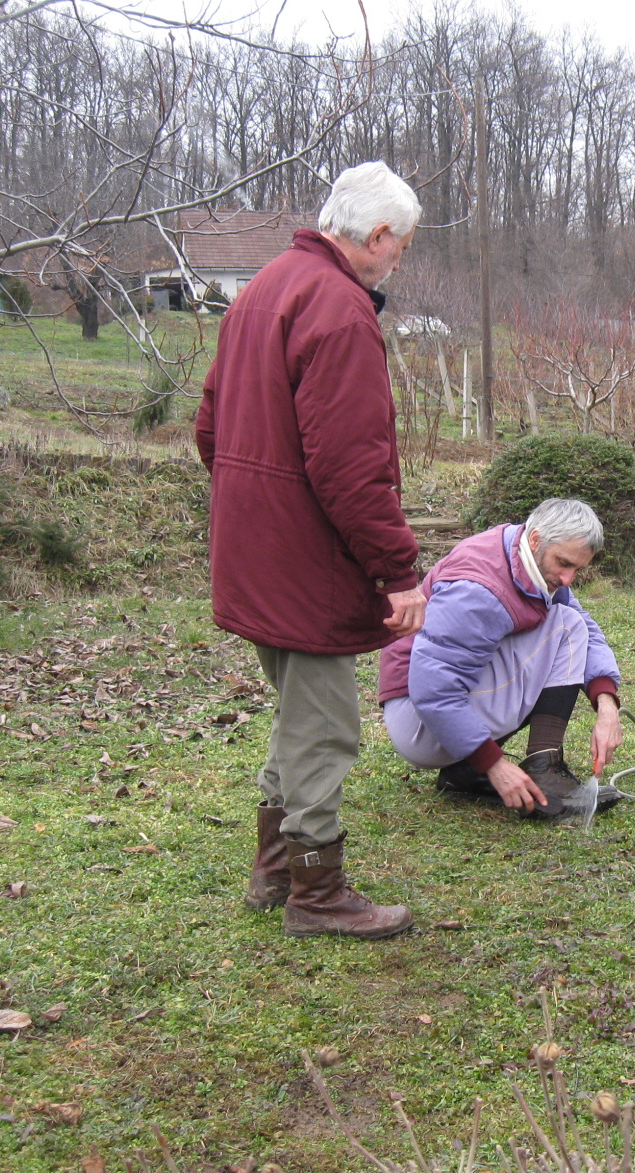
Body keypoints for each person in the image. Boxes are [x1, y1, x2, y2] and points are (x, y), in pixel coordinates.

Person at [196, 163, 429, 940]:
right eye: (404, 244)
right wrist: (397, 570)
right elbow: (351, 465)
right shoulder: (338, 307)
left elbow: (209, 424)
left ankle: (273, 870)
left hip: (254, 546)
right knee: (325, 724)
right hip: (305, 558)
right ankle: (317, 892)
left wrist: (252, 502)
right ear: (381, 235)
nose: (400, 259)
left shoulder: (266, 286)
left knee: (298, 713)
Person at [378, 498, 624, 817]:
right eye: (563, 563)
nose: (568, 579)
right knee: (565, 628)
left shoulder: (525, 556)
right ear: (535, 539)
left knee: (567, 622)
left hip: (434, 711)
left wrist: (607, 705)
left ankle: (468, 771)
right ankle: (539, 768)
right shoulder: (477, 590)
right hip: (419, 721)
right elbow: (434, 691)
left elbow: (585, 627)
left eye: (577, 568)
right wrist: (495, 765)